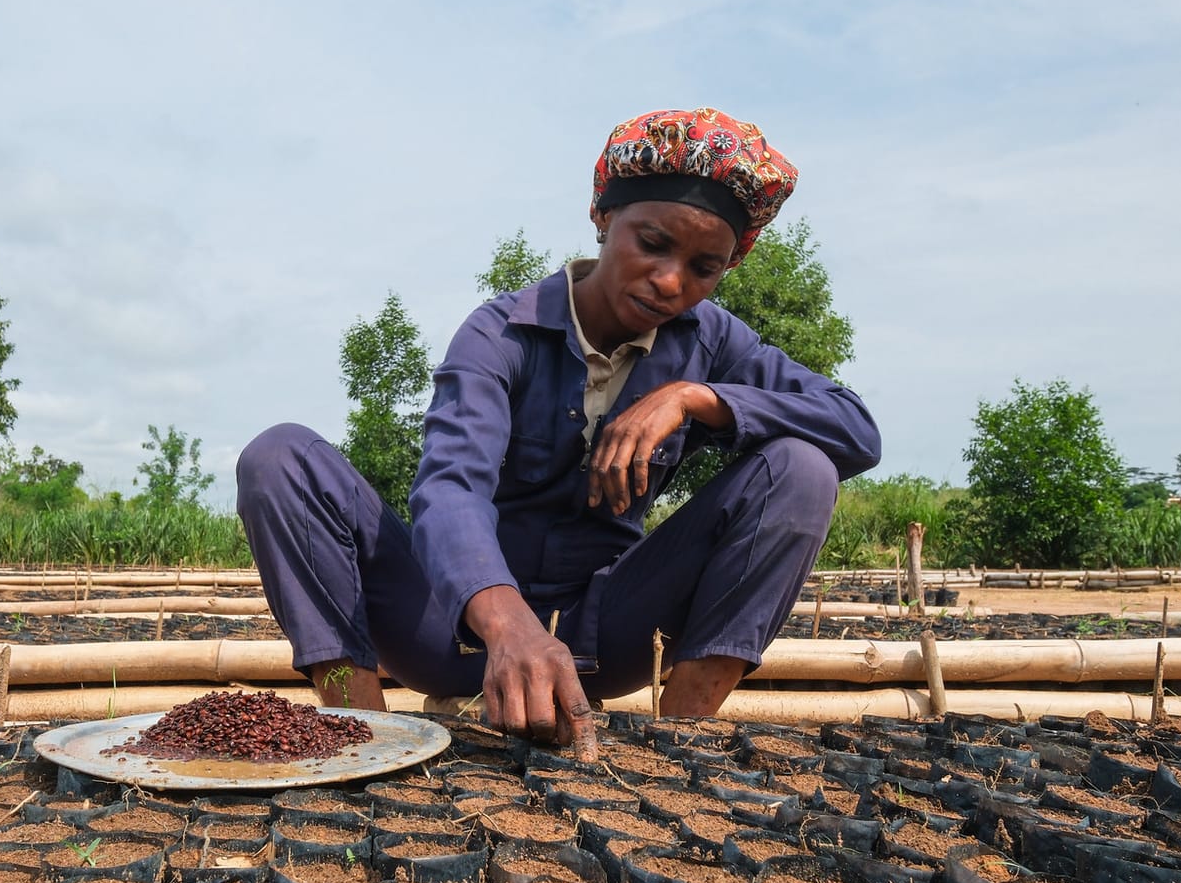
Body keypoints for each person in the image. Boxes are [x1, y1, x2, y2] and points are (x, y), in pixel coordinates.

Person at [238, 107, 881, 750]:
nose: (670, 281)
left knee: (802, 467)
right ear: (603, 218)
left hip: (602, 637)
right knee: (280, 458)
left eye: (703, 267)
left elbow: (856, 430)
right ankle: (360, 734)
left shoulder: (711, 342)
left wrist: (695, 398)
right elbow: (450, 491)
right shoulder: (500, 335)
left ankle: (689, 744)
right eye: (652, 244)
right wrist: (509, 625)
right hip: (451, 626)